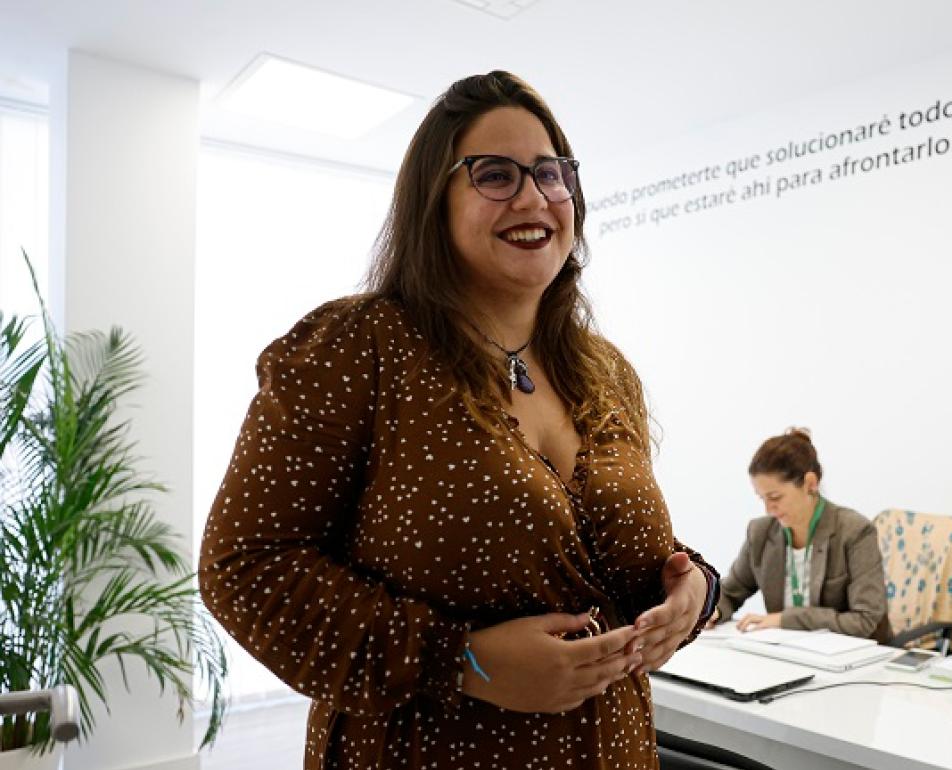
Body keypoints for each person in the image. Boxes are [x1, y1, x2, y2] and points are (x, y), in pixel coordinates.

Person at [199, 71, 718, 770]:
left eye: (550, 173)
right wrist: (461, 661)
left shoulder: (603, 370)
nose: (534, 197)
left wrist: (694, 590)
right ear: (432, 201)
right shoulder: (357, 348)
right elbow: (246, 570)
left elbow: (592, 551)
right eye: (495, 175)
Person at [709, 428, 890, 641]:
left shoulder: (855, 531)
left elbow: (865, 619)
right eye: (762, 498)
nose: (768, 509)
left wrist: (786, 620)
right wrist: (715, 612)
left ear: (810, 484)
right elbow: (730, 593)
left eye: (775, 497)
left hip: (851, 659)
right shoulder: (760, 532)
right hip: (787, 653)